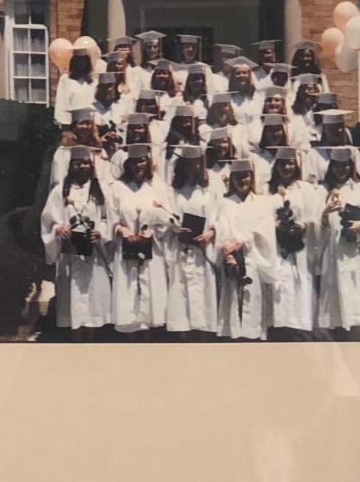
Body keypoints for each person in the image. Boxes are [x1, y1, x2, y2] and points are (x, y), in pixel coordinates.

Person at [40, 146, 113, 342]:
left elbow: (108, 218)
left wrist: (101, 231)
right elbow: (48, 220)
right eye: (77, 163)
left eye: (86, 163)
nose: (82, 166)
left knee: (93, 301)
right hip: (69, 257)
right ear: (70, 165)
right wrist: (58, 228)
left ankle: (91, 341)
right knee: (72, 302)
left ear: (91, 165)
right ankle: (75, 342)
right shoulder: (60, 191)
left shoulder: (100, 190)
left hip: (94, 255)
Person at [315, 146, 360, 339]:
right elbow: (314, 228)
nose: (341, 169)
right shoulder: (322, 191)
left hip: (354, 255)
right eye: (337, 165)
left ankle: (354, 339)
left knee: (356, 308)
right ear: (331, 166)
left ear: (352, 165)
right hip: (332, 256)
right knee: (335, 313)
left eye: (345, 165)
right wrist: (324, 216)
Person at [108, 143, 172, 336]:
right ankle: (130, 336)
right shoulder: (117, 188)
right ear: (127, 164)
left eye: (142, 160)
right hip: (126, 246)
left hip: (151, 247)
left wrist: (154, 231)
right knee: (128, 292)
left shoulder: (158, 187)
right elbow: (110, 217)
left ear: (148, 161)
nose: (138, 165)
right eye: (134, 161)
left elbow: (167, 218)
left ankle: (149, 336)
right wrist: (121, 229)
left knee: (150, 292)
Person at [264, 147, 323, 339]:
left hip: (300, 249)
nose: (286, 167)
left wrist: (303, 226)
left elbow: (315, 216)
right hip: (276, 248)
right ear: (276, 166)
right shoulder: (266, 190)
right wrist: (274, 225)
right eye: (282, 164)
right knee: (278, 288)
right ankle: (278, 329)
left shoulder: (305, 189)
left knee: (299, 288)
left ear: (296, 165)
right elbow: (260, 217)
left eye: (290, 163)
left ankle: (299, 330)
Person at [215, 160, 277, 340]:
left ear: (252, 177)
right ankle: (234, 337)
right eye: (238, 176)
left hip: (254, 258)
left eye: (246, 176)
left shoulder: (261, 203)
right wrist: (228, 252)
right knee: (233, 303)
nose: (242, 180)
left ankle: (253, 337)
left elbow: (265, 230)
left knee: (253, 302)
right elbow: (222, 229)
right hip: (232, 260)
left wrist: (242, 240)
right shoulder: (226, 204)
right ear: (232, 179)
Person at [164, 145, 220, 340]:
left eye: (196, 163)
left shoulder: (210, 190)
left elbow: (221, 217)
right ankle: (183, 337)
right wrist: (174, 228)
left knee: (203, 292)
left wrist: (211, 233)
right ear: (182, 165)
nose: (192, 167)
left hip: (203, 250)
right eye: (188, 164)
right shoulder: (173, 191)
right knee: (181, 293)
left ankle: (203, 336)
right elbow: (167, 217)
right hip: (180, 249)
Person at [50, 108, 113, 187]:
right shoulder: (63, 151)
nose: (85, 126)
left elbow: (106, 178)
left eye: (88, 123)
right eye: (81, 123)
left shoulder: (99, 151)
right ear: (73, 127)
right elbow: (58, 179)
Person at [53, 49, 97, 125]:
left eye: (83, 60)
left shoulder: (93, 81)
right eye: (78, 60)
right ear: (73, 62)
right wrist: (64, 122)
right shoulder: (65, 79)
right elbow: (61, 101)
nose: (81, 63)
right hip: (72, 122)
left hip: (90, 123)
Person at [226, 56, 263, 123]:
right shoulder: (227, 98)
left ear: (249, 75)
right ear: (232, 77)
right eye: (237, 73)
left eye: (244, 73)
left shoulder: (257, 97)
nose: (241, 75)